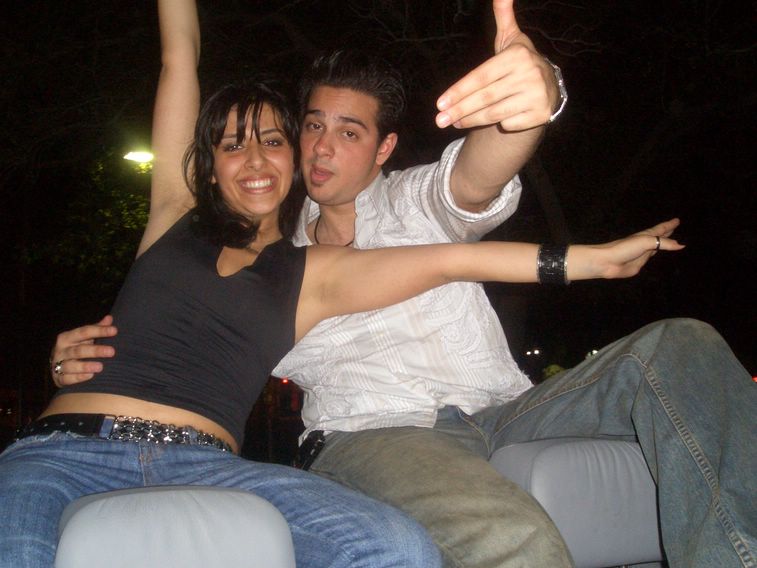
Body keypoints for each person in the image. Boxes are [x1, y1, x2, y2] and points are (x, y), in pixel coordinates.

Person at [49, 2, 754, 568]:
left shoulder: (416, 201)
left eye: (349, 133)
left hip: (504, 408)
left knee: (682, 344)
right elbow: (184, 329)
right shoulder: (276, 261)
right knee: (515, 539)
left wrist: (534, 102)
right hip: (372, 433)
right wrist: (86, 357)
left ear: (384, 148)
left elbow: (478, 174)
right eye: (312, 127)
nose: (323, 147)